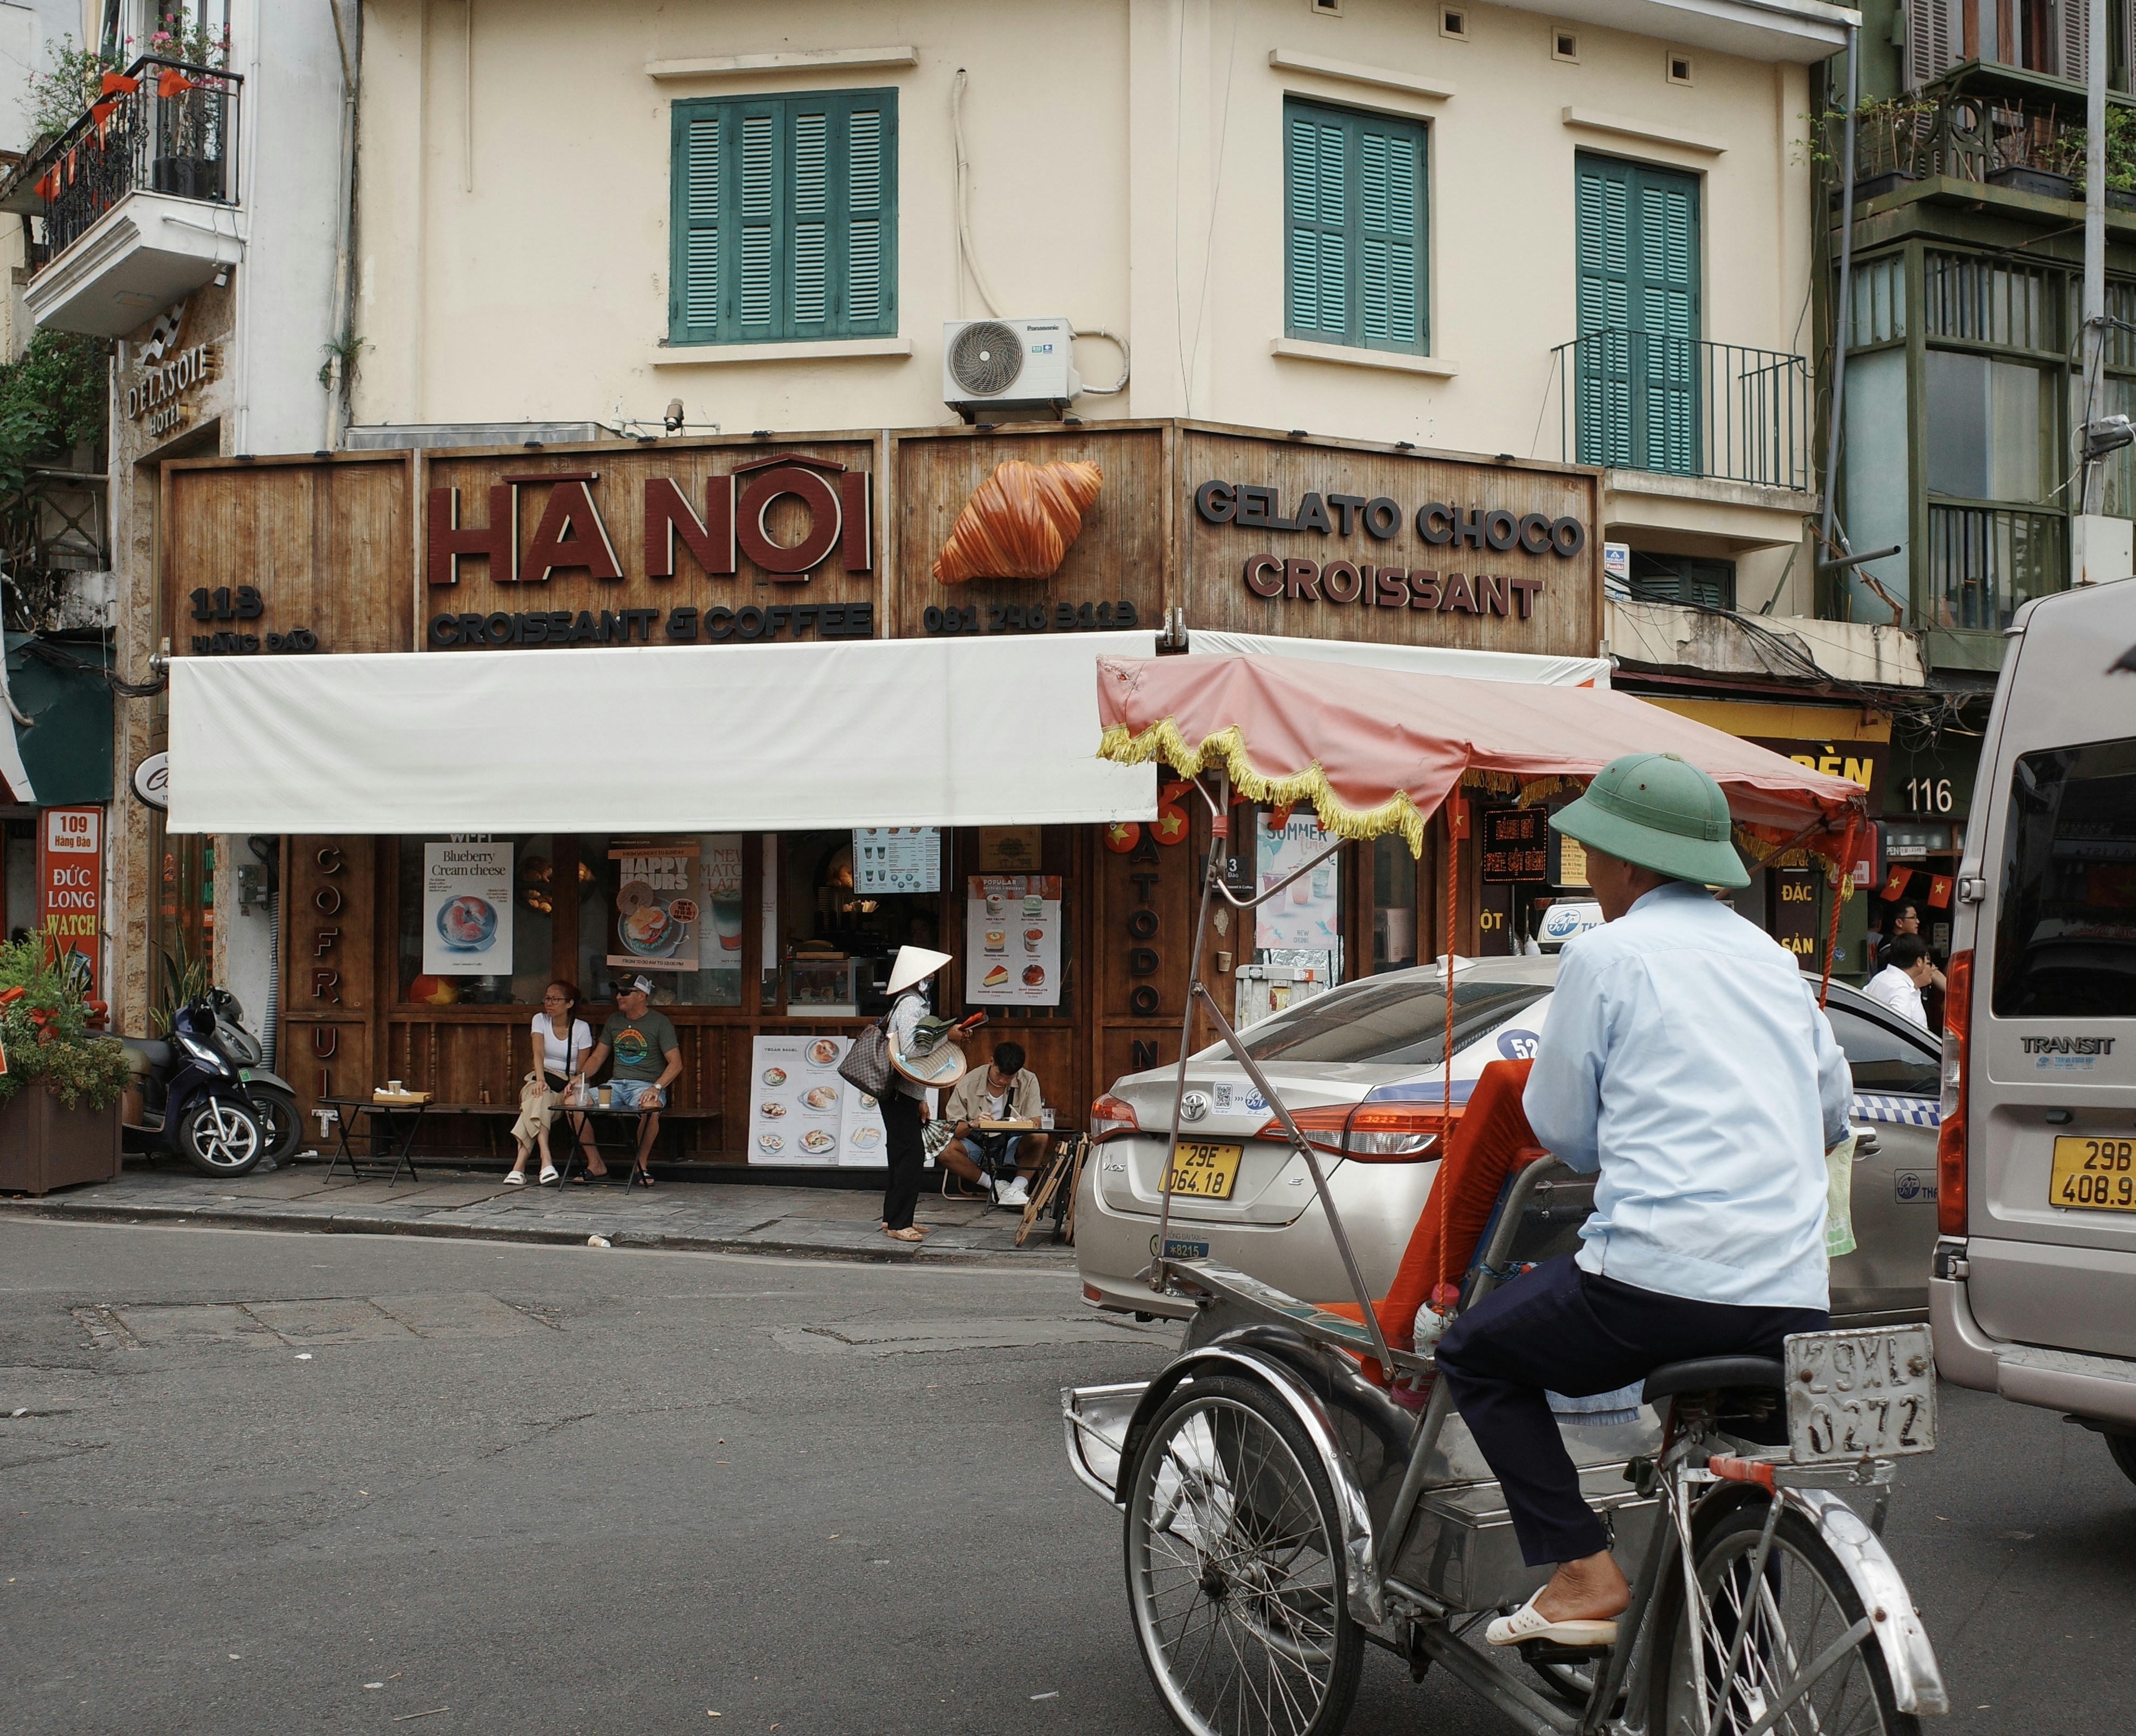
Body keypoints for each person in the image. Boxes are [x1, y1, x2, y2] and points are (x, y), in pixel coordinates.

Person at [1433, 752, 1851, 1649]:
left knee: (1474, 1353)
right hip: (1790, 1302)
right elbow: (1829, 1112)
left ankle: (1581, 1571)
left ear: (1623, 863)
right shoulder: (1771, 962)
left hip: (1647, 1291)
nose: (1585, 863)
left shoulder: (1607, 955)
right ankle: (1736, 1683)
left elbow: (1559, 1126)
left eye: (1589, 848)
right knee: (1736, 1472)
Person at [878, 944, 960, 1243]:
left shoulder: (907, 1002)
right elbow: (913, 1051)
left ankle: (893, 1217)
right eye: (931, 974)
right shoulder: (913, 1005)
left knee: (900, 1152)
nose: (934, 978)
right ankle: (901, 1222)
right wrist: (948, 1037)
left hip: (902, 1091)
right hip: (900, 1091)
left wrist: (921, 1098)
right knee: (910, 1155)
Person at [578, 974, 681, 1187]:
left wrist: (657, 1087)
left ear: (642, 995)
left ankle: (640, 1166)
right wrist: (580, 1080)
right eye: (617, 992)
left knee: (651, 1108)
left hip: (645, 1086)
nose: (618, 996)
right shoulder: (615, 1020)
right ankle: (595, 1163)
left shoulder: (660, 1022)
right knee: (573, 1104)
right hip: (615, 1085)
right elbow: (597, 1057)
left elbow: (676, 1064)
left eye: (625, 992)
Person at [938, 1041, 1048, 1207]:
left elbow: (1036, 1122)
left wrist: (1023, 1122)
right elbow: (954, 1130)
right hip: (977, 1143)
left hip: (1010, 1142)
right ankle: (994, 1186)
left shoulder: (1028, 1079)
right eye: (1000, 1075)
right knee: (942, 1147)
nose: (1003, 1081)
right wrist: (973, 1124)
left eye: (1010, 1077)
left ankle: (1016, 1189)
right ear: (991, 1062)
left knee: (1041, 1138)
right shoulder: (969, 1082)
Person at [507, 979, 592, 1185]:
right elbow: (538, 1053)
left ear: (569, 1004)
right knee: (539, 1094)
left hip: (565, 1085)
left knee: (535, 1104)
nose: (549, 1003)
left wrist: (573, 1085)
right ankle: (546, 1159)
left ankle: (519, 1166)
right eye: (547, 998)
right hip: (540, 1078)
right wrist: (541, 1080)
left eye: (555, 999)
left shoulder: (581, 1028)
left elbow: (582, 1071)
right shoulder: (540, 1020)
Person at [1863, 934, 1937, 1029]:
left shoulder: (1879, 978)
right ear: (1919, 961)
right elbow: (1900, 1032)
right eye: (1927, 961)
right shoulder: (1901, 989)